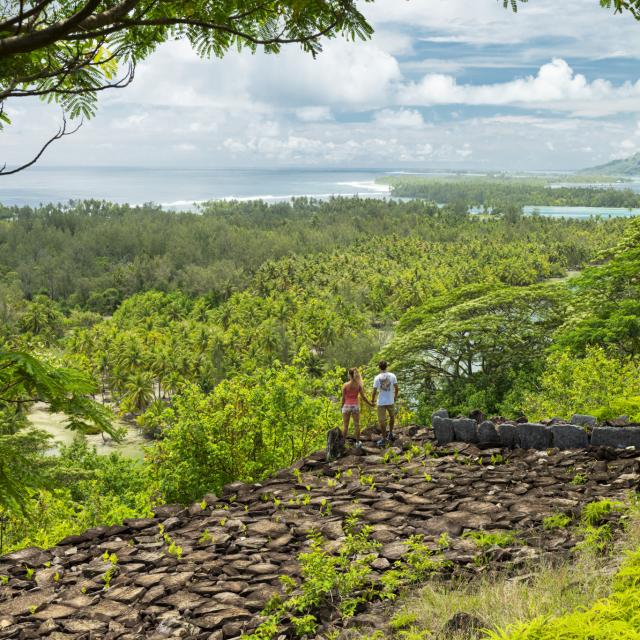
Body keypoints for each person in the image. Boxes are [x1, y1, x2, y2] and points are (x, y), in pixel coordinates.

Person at [341, 367, 372, 448]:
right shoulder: (358, 385)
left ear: (349, 375)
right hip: (355, 406)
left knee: (345, 426)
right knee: (356, 425)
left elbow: (343, 398)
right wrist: (370, 404)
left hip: (347, 406)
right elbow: (363, 397)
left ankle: (342, 443)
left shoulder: (345, 385)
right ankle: (358, 443)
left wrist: (341, 407)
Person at [371, 360, 398, 446]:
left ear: (379, 367)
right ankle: (390, 433)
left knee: (381, 421)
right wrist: (395, 397)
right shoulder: (393, 376)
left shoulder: (376, 378)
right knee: (392, 417)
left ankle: (384, 438)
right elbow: (396, 388)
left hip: (381, 402)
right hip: (390, 400)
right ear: (387, 366)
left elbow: (374, 391)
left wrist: (372, 400)